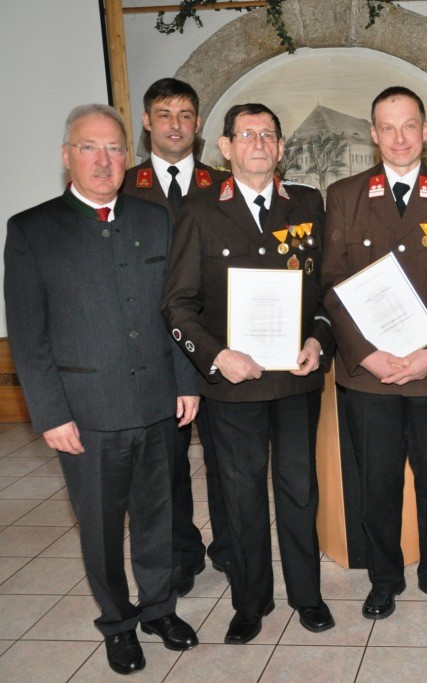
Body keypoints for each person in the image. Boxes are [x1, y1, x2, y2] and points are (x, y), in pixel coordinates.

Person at [5, 104, 200, 675]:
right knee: (99, 526)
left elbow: (177, 312)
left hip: (160, 403)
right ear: (67, 156)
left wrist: (187, 381)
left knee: (159, 517)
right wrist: (49, 414)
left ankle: (160, 608)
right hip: (85, 415)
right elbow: (29, 335)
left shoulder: (153, 218)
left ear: (127, 157)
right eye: (89, 147)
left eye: (114, 148)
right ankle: (117, 623)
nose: (103, 159)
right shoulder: (31, 229)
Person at [162, 102, 335, 643]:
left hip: (294, 380)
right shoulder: (199, 210)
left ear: (281, 147)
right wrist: (216, 357)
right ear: (226, 147)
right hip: (231, 384)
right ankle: (251, 603)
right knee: (240, 495)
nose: (258, 143)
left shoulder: (307, 202)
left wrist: (318, 338)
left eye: (268, 134)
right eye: (246, 134)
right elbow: (178, 305)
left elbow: (328, 291)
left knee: (299, 489)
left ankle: (307, 595)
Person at [322, 86, 427, 621]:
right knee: (378, 482)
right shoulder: (343, 195)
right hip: (368, 375)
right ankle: (383, 579)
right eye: (387, 127)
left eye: (409, 125)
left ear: (426, 131)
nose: (398, 137)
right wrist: (364, 353)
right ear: (372, 134)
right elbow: (332, 282)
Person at [121, 77, 231, 595]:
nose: (175, 124)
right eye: (164, 114)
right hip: (155, 349)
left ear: (199, 124)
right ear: (147, 122)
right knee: (166, 465)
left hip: (222, 346)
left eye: (186, 114)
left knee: (226, 456)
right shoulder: (122, 188)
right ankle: (181, 552)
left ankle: (231, 545)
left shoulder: (224, 184)